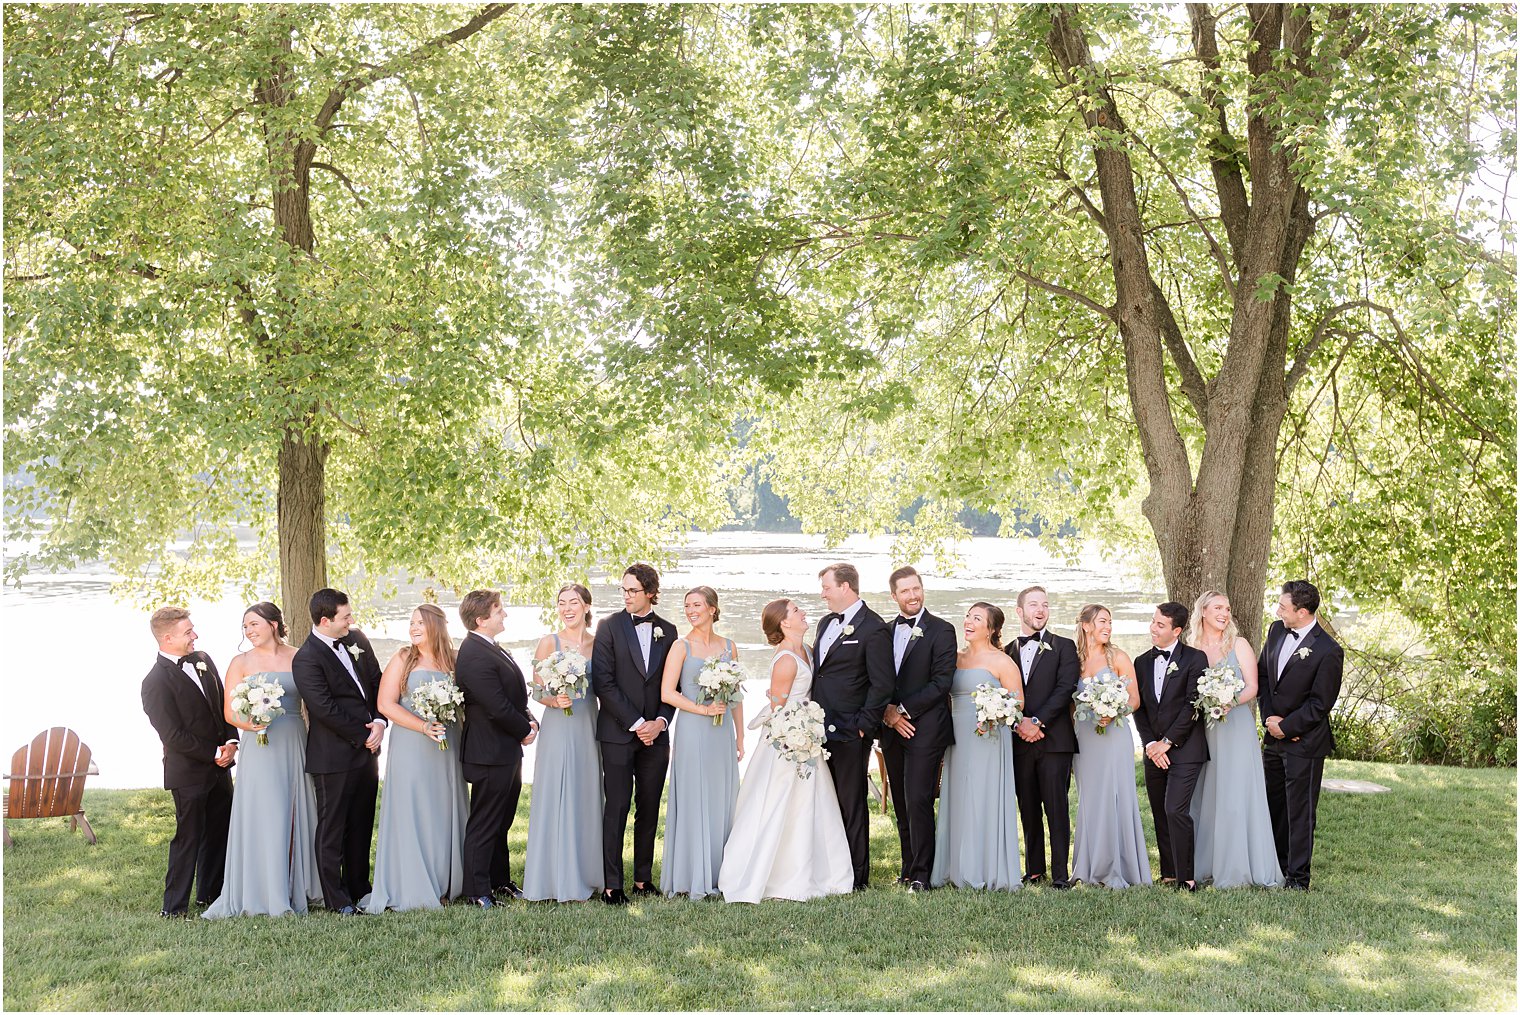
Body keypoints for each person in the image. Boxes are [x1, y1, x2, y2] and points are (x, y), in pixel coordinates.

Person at [718, 599, 853, 902]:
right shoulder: (786, 660)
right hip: (787, 742)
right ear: (783, 623)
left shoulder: (805, 650)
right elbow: (778, 708)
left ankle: (817, 869)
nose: (803, 612)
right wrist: (796, 735)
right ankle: (775, 874)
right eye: (795, 610)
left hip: (807, 736)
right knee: (779, 804)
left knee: (810, 804)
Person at [203, 602, 322, 919]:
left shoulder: (298, 656)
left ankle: (300, 883)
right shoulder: (240, 662)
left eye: (254, 624)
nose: (249, 631)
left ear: (273, 624)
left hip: (294, 738)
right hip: (259, 743)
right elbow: (229, 710)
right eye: (245, 626)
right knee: (265, 812)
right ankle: (262, 887)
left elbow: (314, 701)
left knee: (296, 807)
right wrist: (248, 724)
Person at [361, 604, 469, 912]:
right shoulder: (403, 658)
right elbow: (385, 703)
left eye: (419, 622)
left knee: (443, 809)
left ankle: (445, 882)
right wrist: (422, 725)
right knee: (414, 809)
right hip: (412, 744)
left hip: (446, 746)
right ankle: (412, 883)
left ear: (436, 625)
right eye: (410, 623)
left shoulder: (455, 659)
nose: (413, 627)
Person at [292, 587, 386, 915]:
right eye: (345, 617)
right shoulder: (306, 658)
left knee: (362, 822)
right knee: (332, 827)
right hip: (332, 755)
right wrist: (363, 736)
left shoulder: (356, 638)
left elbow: (376, 682)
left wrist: (379, 721)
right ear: (324, 620)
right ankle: (337, 898)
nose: (351, 621)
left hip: (367, 750)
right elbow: (323, 709)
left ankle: (361, 888)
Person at [141, 606, 237, 917]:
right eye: (188, 632)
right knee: (188, 837)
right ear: (167, 638)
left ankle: (211, 894)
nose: (195, 635)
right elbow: (173, 735)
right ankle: (173, 907)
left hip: (221, 767)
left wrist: (231, 742)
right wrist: (212, 752)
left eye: (193, 629)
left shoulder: (203, 660)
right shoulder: (154, 682)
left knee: (219, 831)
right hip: (188, 772)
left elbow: (223, 704)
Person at [592, 563, 679, 905]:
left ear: (650, 593)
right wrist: (636, 723)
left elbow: (673, 686)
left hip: (657, 736)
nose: (626, 596)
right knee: (616, 807)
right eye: (623, 590)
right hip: (617, 733)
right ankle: (612, 885)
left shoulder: (669, 631)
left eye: (632, 591)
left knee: (649, 806)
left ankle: (644, 879)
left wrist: (660, 722)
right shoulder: (609, 626)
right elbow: (604, 682)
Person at [1188, 591, 1284, 888]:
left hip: (1236, 724)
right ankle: (1206, 865)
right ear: (1202, 611)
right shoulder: (1191, 647)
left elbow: (1253, 687)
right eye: (1217, 607)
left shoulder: (1238, 644)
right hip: (1204, 728)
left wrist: (1228, 702)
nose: (1224, 613)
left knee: (1236, 792)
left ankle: (1242, 866)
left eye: (1227, 608)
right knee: (1208, 793)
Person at [810, 562, 893, 890]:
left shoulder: (873, 628)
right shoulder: (824, 623)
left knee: (851, 801)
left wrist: (864, 726)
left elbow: (882, 684)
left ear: (846, 587)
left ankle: (856, 877)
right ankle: (828, 868)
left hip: (850, 731)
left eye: (827, 587)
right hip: (816, 730)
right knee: (823, 801)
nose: (823, 594)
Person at [929, 603, 1023, 891]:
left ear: (991, 629)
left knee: (982, 796)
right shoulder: (955, 658)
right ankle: (954, 867)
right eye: (968, 616)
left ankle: (986, 867)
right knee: (957, 796)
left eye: (977, 618)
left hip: (988, 737)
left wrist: (994, 716)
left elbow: (1018, 703)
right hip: (956, 737)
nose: (968, 621)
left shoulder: (1002, 661)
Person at [1257, 580, 1343, 891]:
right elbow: (1264, 675)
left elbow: (1321, 703)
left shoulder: (1329, 651)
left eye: (1283, 607)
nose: (1277, 611)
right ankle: (1277, 867)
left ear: (1303, 612)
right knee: (1274, 804)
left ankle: (1298, 877)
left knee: (1301, 810)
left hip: (1304, 743)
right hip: (1273, 737)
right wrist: (1269, 719)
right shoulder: (1276, 631)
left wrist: (1288, 726)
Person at [455, 589, 538, 908]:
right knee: (485, 822)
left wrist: (530, 718)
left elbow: (513, 697)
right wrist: (523, 729)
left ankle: (499, 880)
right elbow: (495, 705)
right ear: (481, 619)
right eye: (499, 610)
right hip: (488, 751)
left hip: (505, 749)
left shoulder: (491, 647)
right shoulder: (473, 653)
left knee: (502, 820)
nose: (505, 614)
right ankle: (476, 890)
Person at [659, 586, 743, 898]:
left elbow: (735, 696)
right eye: (687, 606)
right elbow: (668, 693)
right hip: (693, 728)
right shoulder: (681, 646)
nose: (691, 610)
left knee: (722, 799)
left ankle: (723, 873)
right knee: (694, 797)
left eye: (697, 605)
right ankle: (690, 875)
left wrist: (741, 736)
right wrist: (703, 709)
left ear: (712, 608)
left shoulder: (729, 647)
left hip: (722, 734)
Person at [523, 583, 603, 902]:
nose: (566, 608)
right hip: (558, 725)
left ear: (586, 606)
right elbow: (536, 690)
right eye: (561, 603)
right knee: (555, 793)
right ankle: (551, 877)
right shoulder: (549, 642)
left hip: (587, 725)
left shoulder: (600, 645)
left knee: (585, 793)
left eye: (573, 602)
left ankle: (586, 873)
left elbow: (605, 688)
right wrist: (554, 701)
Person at [878, 566, 956, 892]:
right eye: (905, 591)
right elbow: (875, 681)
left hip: (926, 727)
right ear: (894, 596)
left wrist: (903, 711)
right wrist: (887, 713)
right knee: (899, 799)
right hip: (890, 728)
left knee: (919, 798)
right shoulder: (882, 632)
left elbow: (942, 682)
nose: (912, 596)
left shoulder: (941, 630)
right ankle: (908, 866)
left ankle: (924, 874)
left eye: (916, 589)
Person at [1069, 604, 1150, 889]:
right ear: (1086, 625)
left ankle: (1120, 866)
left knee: (1117, 795)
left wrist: (1115, 711)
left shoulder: (1117, 657)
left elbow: (1135, 700)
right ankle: (1089, 866)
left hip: (1114, 735)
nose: (1108, 627)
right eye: (1102, 621)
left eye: (1110, 622)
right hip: (1085, 738)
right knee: (1090, 798)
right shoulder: (1074, 660)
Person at [1006, 585, 1080, 889]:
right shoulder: (1007, 650)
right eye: (1034, 605)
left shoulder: (1064, 646)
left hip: (1054, 741)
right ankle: (1033, 869)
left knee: (1056, 807)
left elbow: (1065, 689)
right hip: (1020, 741)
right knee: (1028, 806)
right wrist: (1018, 724)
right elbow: (1002, 694)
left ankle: (1061, 874)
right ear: (1019, 611)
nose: (1040, 610)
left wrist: (1037, 722)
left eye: (1045, 605)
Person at [1133, 601, 1209, 891]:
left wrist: (1167, 743)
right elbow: (1139, 708)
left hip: (1186, 750)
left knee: (1176, 809)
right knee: (1160, 811)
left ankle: (1186, 876)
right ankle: (1167, 872)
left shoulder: (1195, 659)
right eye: (1153, 622)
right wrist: (1151, 743)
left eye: (1160, 624)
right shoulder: (1141, 662)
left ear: (1176, 630)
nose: (1153, 628)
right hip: (1154, 750)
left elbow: (1193, 705)